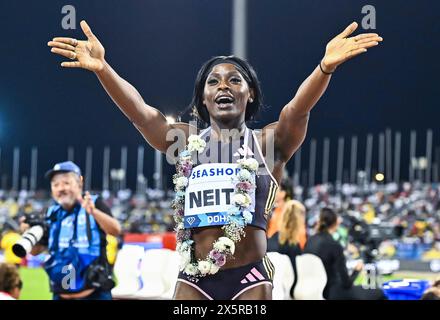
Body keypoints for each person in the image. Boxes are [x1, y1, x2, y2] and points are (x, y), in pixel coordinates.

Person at [48, 20, 382, 300]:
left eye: (235, 79)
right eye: (214, 81)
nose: (224, 85)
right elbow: (140, 113)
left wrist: (324, 68)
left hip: (251, 279)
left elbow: (297, 109)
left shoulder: (267, 142)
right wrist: (103, 69)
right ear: (204, 99)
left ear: (249, 94)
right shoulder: (183, 142)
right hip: (194, 279)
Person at [20, 161, 121, 300]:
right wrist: (26, 231)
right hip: (60, 293)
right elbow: (35, 251)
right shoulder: (50, 213)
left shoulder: (94, 202)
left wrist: (94, 212)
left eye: (66, 183)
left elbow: (115, 229)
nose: (61, 188)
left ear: (79, 183)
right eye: (56, 184)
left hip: (95, 293)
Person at [304, 207, 387, 300]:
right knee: (379, 293)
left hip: (312, 291)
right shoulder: (334, 245)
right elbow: (346, 284)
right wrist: (357, 271)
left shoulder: (310, 241)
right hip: (332, 293)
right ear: (336, 223)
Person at [267, 199, 306, 298]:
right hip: (285, 292)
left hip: (267, 288)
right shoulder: (294, 245)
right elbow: (295, 278)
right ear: (300, 220)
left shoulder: (274, 237)